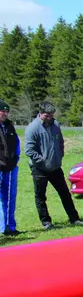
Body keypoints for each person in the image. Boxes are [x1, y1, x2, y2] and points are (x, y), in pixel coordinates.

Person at [24, 101, 83, 230]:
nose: (49, 118)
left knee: (65, 193)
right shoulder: (32, 128)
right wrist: (42, 161)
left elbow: (60, 142)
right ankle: (46, 222)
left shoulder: (55, 125)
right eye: (47, 115)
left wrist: (60, 155)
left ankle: (74, 218)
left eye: (51, 115)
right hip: (39, 168)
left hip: (55, 167)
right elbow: (29, 150)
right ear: (40, 113)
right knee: (41, 196)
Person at [0, 99, 20, 236]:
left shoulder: (9, 127)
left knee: (9, 198)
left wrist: (15, 160)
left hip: (10, 168)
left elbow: (17, 145)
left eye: (7, 112)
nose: (5, 114)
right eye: (3, 111)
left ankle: (9, 226)